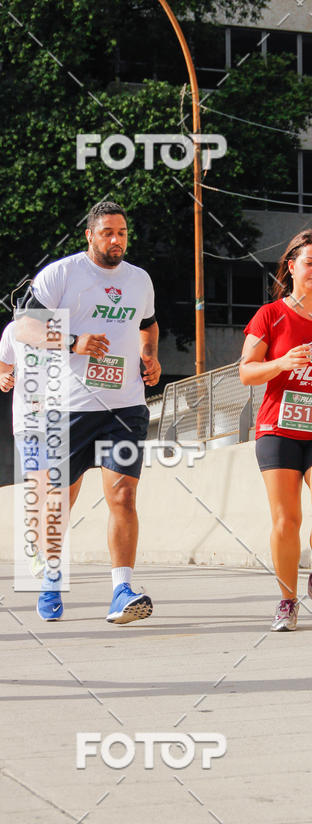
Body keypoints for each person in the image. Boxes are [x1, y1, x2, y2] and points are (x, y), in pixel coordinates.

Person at [14, 200, 161, 623]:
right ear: (90, 235)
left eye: (122, 233)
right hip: (69, 408)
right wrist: (73, 340)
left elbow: (146, 324)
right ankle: (51, 579)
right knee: (59, 501)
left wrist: (148, 354)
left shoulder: (140, 280)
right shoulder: (62, 274)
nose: (117, 240)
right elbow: (24, 325)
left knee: (124, 495)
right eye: (108, 233)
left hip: (124, 406)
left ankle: (122, 589)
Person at [239, 230, 312, 631]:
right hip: (278, 429)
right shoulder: (270, 315)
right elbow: (245, 372)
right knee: (287, 520)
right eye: (309, 262)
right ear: (291, 266)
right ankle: (287, 599)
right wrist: (281, 363)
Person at [0, 320, 47, 578]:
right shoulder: (14, 330)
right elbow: (3, 365)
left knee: (55, 488)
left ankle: (42, 542)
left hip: (61, 422)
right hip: (27, 422)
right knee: (36, 484)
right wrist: (3, 378)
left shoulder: (69, 328)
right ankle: (36, 549)